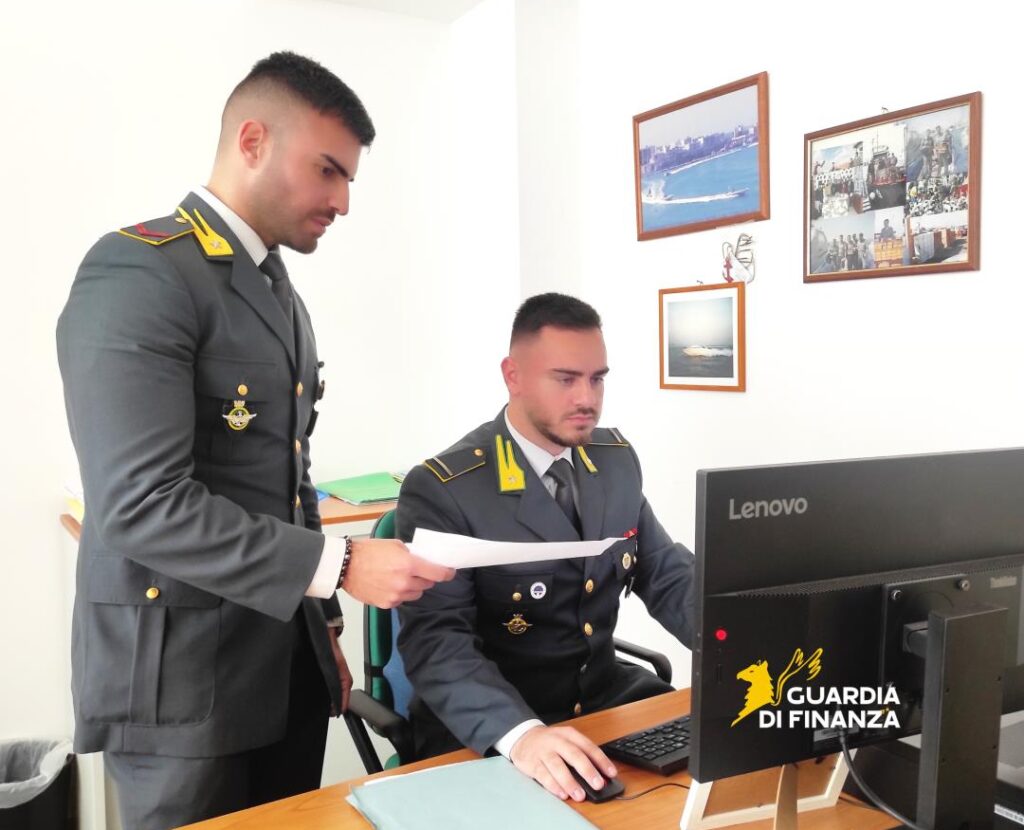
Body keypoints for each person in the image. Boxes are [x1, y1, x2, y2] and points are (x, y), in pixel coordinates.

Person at [56, 52, 454, 830]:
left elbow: (288, 474)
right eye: (328, 170)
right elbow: (140, 505)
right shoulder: (140, 272)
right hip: (179, 689)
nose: (342, 201)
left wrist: (323, 628)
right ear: (252, 141)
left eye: (349, 180)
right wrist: (343, 565)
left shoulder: (276, 290)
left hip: (282, 666)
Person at [395, 293, 695, 802]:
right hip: (496, 726)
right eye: (565, 379)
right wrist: (522, 736)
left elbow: (667, 575)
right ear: (512, 376)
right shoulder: (447, 488)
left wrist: (743, 646)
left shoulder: (614, 460)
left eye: (597, 379)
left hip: (602, 702)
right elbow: (437, 642)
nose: (587, 399)